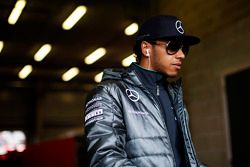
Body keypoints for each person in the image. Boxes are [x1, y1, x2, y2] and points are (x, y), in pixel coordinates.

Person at [84, 15, 206, 167]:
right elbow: (105, 160)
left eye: (184, 48)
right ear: (146, 48)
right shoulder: (109, 93)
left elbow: (183, 159)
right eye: (173, 46)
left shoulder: (174, 96)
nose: (181, 55)